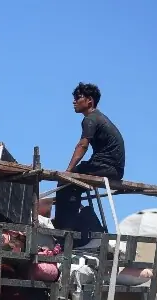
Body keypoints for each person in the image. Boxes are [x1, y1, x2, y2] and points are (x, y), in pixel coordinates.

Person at [54, 83, 125, 231]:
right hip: (113, 168)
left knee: (64, 183)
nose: (74, 101)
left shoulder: (91, 119)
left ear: (89, 101)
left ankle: (65, 229)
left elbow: (82, 145)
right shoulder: (99, 118)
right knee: (73, 185)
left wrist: (68, 171)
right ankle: (74, 222)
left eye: (78, 98)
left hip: (106, 166)